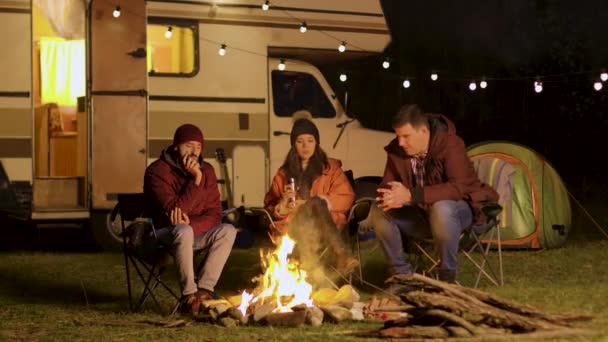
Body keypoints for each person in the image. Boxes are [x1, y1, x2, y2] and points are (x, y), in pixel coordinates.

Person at [368, 104, 498, 285]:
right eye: (398, 136)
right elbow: (386, 186)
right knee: (380, 209)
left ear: (423, 131)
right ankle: (402, 278)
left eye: (406, 136)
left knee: (442, 207)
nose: (400, 143)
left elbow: (458, 188)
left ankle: (446, 280)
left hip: (461, 213)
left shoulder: (450, 144)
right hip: (422, 216)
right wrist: (390, 197)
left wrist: (411, 195)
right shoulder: (397, 151)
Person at [144, 123, 237, 314]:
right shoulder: (157, 171)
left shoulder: (208, 171)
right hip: (160, 236)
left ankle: (203, 292)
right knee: (182, 230)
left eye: (198, 147)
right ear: (176, 146)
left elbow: (215, 213)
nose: (194, 152)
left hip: (190, 233)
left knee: (228, 230)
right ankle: (189, 296)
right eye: (189, 145)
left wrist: (192, 224)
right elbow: (175, 213)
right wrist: (196, 180)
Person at [263, 118, 358, 280]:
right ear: (294, 145)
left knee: (316, 202)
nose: (305, 146)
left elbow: (347, 197)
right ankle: (342, 256)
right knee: (314, 203)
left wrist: (310, 203)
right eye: (300, 141)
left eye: (310, 140)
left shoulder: (331, 169)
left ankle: (339, 257)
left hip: (326, 228)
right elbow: (269, 207)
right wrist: (283, 205)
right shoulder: (283, 173)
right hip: (295, 227)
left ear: (317, 143)